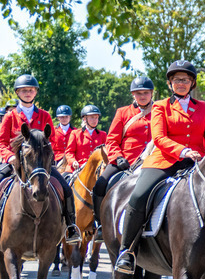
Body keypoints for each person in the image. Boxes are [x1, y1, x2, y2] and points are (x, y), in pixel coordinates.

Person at [113, 60, 205, 274]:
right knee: (139, 195)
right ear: (170, 83)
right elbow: (159, 138)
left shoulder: (204, 108)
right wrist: (183, 151)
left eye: (185, 80)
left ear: (192, 83)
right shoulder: (160, 106)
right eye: (177, 80)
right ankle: (127, 251)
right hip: (165, 160)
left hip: (197, 162)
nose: (181, 83)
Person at [0, 75, 81, 244]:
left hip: (40, 166)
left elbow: (53, 141)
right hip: (15, 163)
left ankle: (71, 227)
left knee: (66, 189)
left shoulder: (44, 116)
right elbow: (1, 141)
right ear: (18, 92)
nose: (28, 93)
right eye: (24, 90)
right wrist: (9, 157)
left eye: (31, 90)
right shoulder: (10, 117)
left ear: (36, 92)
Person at [93, 76, 156, 218]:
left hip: (153, 159)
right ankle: (100, 223)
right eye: (139, 93)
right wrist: (118, 157)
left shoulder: (160, 110)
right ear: (133, 95)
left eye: (146, 92)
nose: (143, 96)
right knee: (100, 185)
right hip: (126, 160)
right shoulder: (123, 112)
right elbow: (111, 140)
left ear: (152, 93)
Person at [64, 105, 107, 171]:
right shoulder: (75, 133)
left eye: (96, 117)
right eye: (92, 117)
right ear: (84, 119)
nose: (95, 120)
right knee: (63, 179)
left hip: (97, 169)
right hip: (78, 167)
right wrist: (73, 162)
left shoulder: (103, 134)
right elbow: (69, 152)